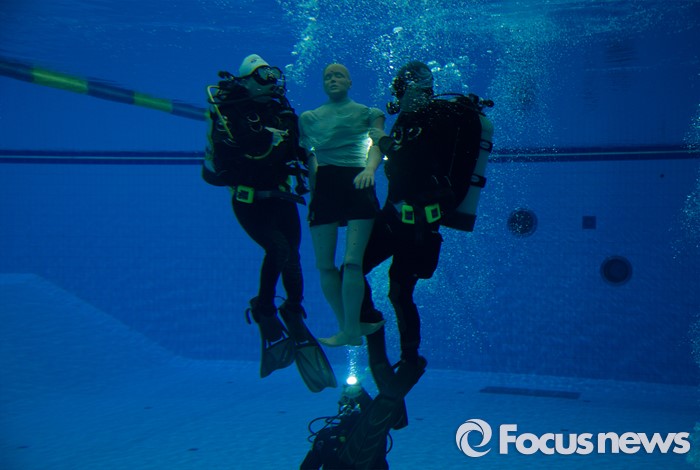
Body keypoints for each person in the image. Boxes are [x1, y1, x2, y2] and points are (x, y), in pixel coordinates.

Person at [339, 61, 494, 467]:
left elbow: (422, 166)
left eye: (406, 89)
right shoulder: (407, 119)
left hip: (421, 225)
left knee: (399, 290)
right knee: (350, 271)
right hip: (392, 217)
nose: (401, 97)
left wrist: (385, 143)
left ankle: (410, 358)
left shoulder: (440, 117)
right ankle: (374, 331)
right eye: (400, 91)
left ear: (420, 88)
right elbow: (399, 170)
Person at [203, 54, 336, 392]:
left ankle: (293, 310)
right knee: (278, 249)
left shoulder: (283, 112)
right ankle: (264, 308)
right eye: (263, 75)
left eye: (273, 74)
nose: (272, 80)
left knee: (292, 255)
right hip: (249, 201)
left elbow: (302, 152)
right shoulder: (230, 111)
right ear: (246, 80)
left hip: (281, 196)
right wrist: (268, 138)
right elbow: (239, 151)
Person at [298, 63, 386, 347]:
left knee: (352, 263)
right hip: (326, 189)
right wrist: (314, 195)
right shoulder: (309, 118)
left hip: (358, 183)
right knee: (324, 265)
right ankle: (348, 327)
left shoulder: (369, 113)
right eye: (327, 76)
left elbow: (377, 144)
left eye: (338, 75)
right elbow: (310, 159)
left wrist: (370, 170)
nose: (332, 79)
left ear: (350, 82)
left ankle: (350, 330)